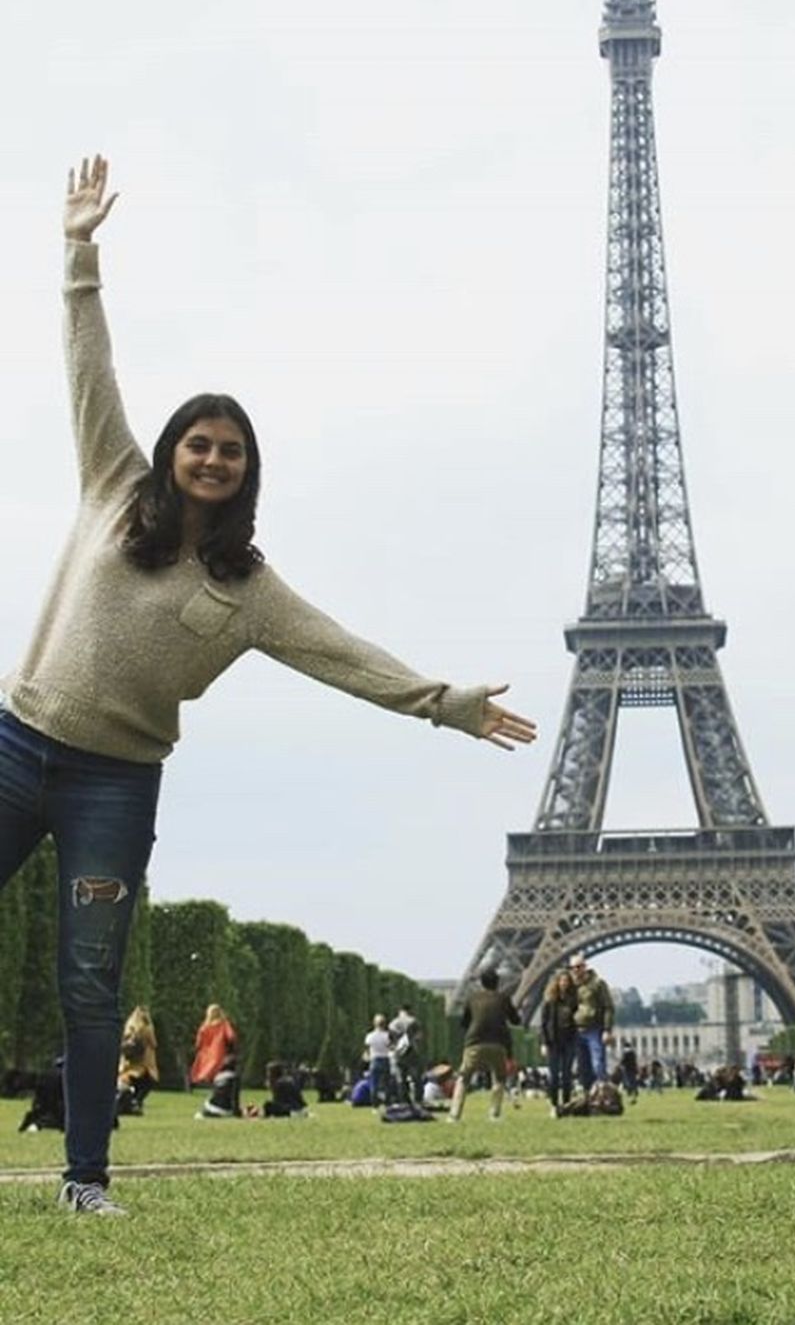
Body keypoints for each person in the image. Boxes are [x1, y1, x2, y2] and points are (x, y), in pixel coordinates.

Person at [0, 159, 537, 1215]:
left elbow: (343, 654)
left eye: (231, 450)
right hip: (18, 741)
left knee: (92, 979)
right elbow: (86, 368)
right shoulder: (113, 485)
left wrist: (445, 701)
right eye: (198, 442)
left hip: (117, 780)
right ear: (169, 451)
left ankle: (85, 1176)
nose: (212, 458)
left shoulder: (249, 589)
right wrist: (79, 255)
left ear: (249, 470)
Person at [449, 968, 521, 1122]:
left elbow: (464, 1022)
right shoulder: (503, 998)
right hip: (498, 1043)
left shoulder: (472, 998)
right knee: (499, 1079)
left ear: (481, 983)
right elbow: (516, 1020)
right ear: (497, 982)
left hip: (475, 1041)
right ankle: (494, 1114)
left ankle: (455, 1114)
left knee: (463, 1077)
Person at [569, 954, 614, 1091]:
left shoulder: (598, 984)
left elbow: (608, 1007)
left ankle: (603, 1094)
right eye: (573, 968)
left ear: (585, 966)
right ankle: (588, 1095)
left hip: (594, 1029)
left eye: (578, 967)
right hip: (576, 1030)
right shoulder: (570, 986)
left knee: (598, 1065)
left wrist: (607, 1030)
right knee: (583, 1067)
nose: (576, 970)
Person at [540, 967, 578, 1116]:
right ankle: (554, 1104)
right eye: (562, 981)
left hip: (569, 1040)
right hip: (553, 1042)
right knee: (554, 1075)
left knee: (567, 1075)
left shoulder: (574, 1000)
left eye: (567, 981)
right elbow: (543, 1024)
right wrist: (543, 1042)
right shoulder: (549, 1001)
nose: (564, 983)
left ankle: (567, 1104)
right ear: (557, 982)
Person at [116, 1005, 158, 1117]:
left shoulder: (129, 1027)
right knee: (147, 1083)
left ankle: (130, 1101)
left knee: (130, 1081)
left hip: (129, 1061)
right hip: (144, 1061)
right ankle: (135, 1102)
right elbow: (154, 1043)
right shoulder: (146, 1028)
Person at [189, 1004, 237, 1089]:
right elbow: (231, 1036)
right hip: (218, 1050)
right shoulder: (224, 1024)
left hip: (205, 1052)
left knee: (202, 1068)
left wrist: (199, 1047)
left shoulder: (205, 1026)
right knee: (215, 1068)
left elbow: (199, 1041)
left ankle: (200, 1082)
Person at [389, 1004, 422, 1106]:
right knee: (415, 1078)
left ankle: (403, 1101)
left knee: (401, 1078)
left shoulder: (393, 1023)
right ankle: (417, 1100)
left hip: (398, 1053)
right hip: (411, 1052)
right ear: (409, 1011)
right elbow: (419, 1036)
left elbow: (390, 1040)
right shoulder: (413, 1021)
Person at [364, 1015, 395, 1107]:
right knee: (386, 1084)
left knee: (374, 1084)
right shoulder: (386, 1035)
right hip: (385, 1059)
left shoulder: (370, 1036)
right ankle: (387, 1104)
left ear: (374, 1024)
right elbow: (391, 1047)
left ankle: (374, 1106)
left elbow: (367, 1049)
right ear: (384, 1024)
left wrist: (367, 1057)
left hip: (374, 1060)